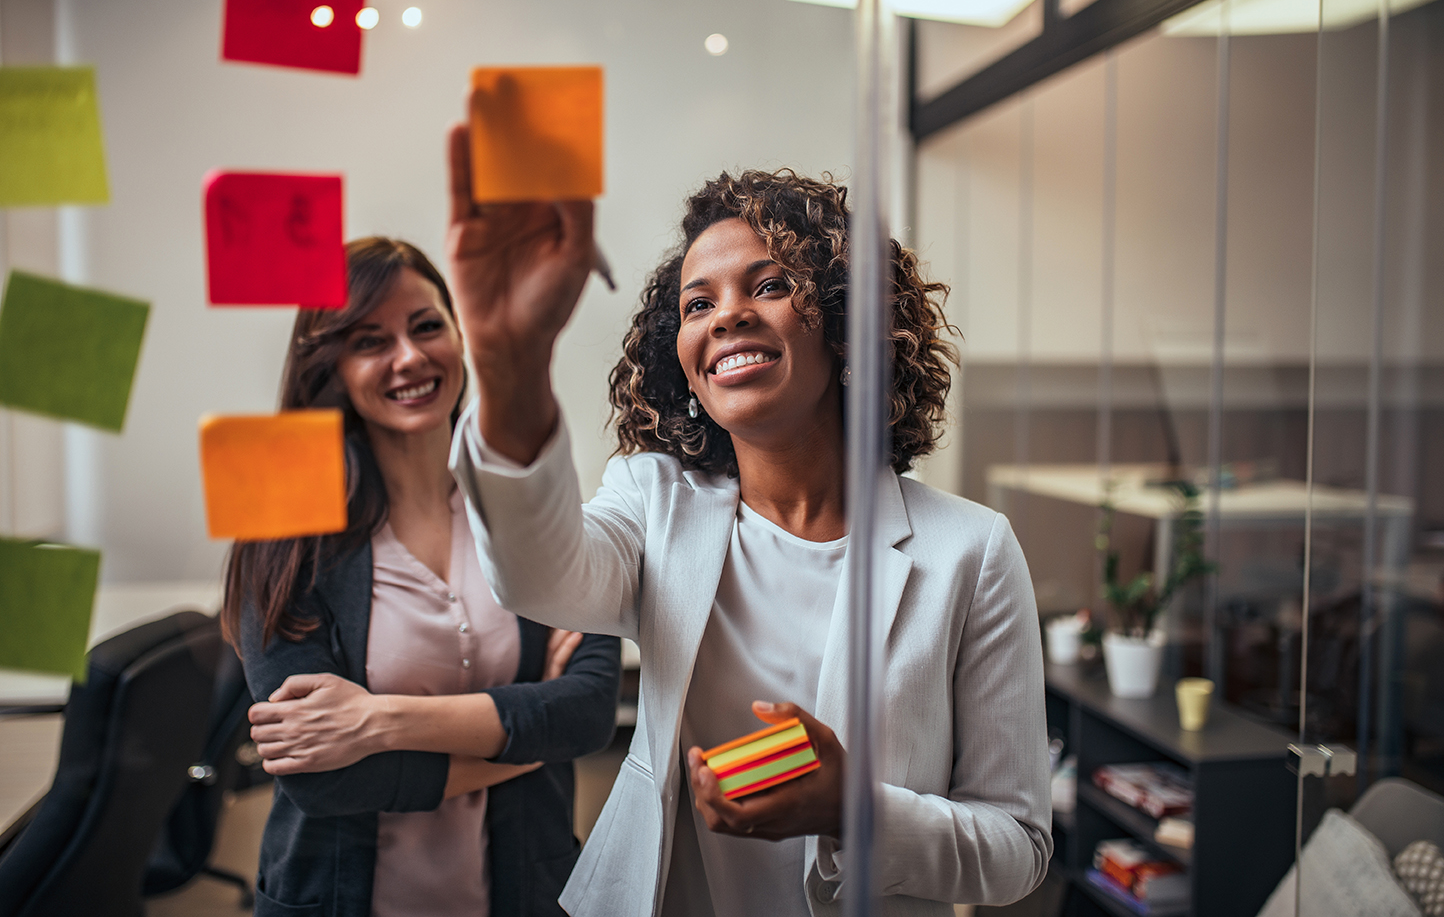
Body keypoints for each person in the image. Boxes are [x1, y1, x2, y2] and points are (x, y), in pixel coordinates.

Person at [442, 121, 1051, 917]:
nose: (727, 315)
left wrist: (853, 811)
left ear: (845, 323)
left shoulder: (971, 550)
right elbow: (536, 578)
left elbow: (1017, 849)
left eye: (768, 286)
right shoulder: (653, 501)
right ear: (686, 361)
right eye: (699, 303)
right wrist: (510, 359)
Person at [222, 237, 621, 917]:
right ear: (332, 366)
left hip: (522, 889)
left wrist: (374, 721)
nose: (409, 357)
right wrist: (530, 740)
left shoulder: (524, 502)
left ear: (460, 335)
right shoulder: (282, 527)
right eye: (370, 341)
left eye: (427, 326)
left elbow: (586, 710)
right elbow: (322, 779)